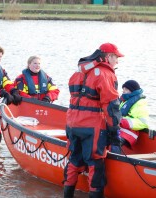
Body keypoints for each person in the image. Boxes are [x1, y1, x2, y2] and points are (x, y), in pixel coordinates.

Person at [63, 43, 124, 198]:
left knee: (74, 160)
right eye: (116, 58)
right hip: (92, 125)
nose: (117, 62)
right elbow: (111, 105)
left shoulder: (80, 70)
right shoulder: (105, 73)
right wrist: (114, 129)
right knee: (95, 163)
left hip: (72, 123)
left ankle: (67, 195)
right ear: (108, 56)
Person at [111, 80, 149, 154]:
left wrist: (122, 122)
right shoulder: (124, 100)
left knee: (115, 142)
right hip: (119, 128)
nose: (124, 91)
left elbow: (143, 123)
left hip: (130, 132)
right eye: (123, 89)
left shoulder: (140, 103)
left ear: (132, 91)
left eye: (126, 89)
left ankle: (116, 160)